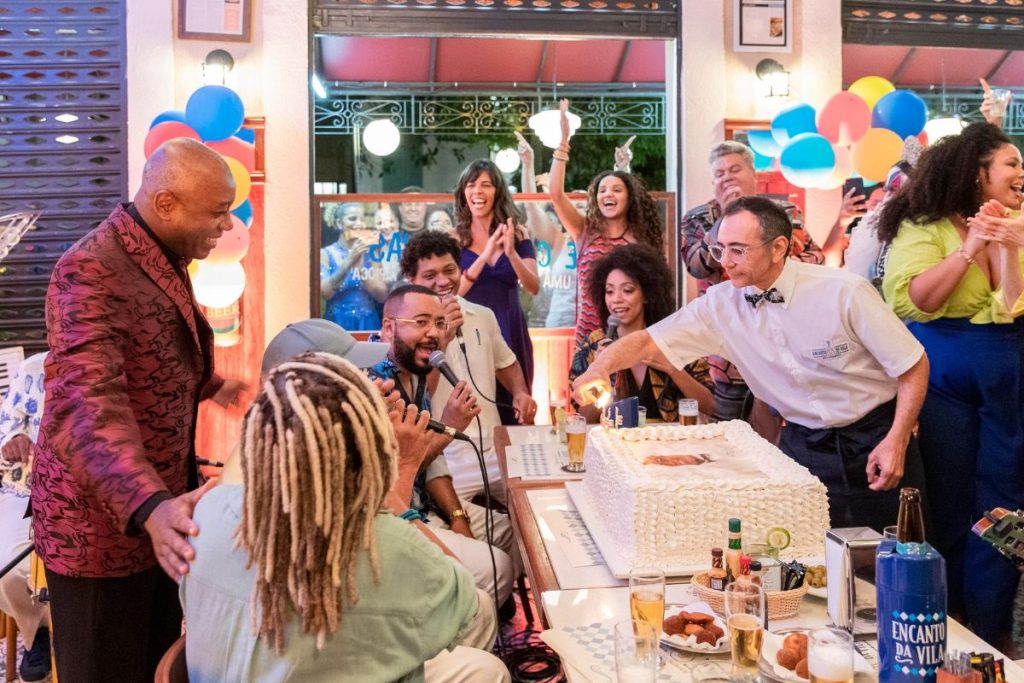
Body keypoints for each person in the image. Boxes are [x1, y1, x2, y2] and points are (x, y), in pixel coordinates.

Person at [573, 196, 929, 534]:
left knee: (896, 557)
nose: (724, 261)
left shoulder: (844, 292)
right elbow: (647, 341)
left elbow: (913, 364)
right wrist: (598, 369)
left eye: (737, 250)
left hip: (876, 437)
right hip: (803, 444)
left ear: (778, 248)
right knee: (808, 560)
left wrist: (897, 438)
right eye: (720, 249)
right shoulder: (720, 305)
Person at [32, 137, 246, 683]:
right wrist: (150, 507)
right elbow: (86, 404)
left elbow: (146, 352)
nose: (226, 226)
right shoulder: (89, 268)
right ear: (166, 203)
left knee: (157, 663)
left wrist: (212, 384)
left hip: (157, 516)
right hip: (100, 533)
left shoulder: (157, 252)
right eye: (218, 212)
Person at [182, 351, 510, 682]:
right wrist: (399, 469)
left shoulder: (209, 510)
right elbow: (466, 602)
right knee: (488, 667)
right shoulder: (382, 541)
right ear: (361, 438)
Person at [878, 121, 1024, 649]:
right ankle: (949, 620)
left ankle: (992, 628)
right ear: (978, 171)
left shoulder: (1020, 222)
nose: (1020, 172)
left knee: (1006, 501)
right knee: (948, 494)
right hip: (941, 372)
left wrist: (1011, 244)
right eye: (1010, 163)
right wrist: (971, 246)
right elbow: (918, 301)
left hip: (1008, 369)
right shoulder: (924, 226)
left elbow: (1012, 306)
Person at [368, 285, 514, 606]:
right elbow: (396, 475)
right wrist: (450, 427)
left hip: (429, 507)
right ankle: (454, 634)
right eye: (420, 322)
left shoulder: (419, 373)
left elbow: (431, 464)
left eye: (438, 323)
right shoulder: (376, 386)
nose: (433, 333)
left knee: (515, 532)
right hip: (400, 519)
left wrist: (459, 516)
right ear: (389, 327)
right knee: (498, 568)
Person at [681, 141, 835, 426]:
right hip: (727, 346)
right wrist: (727, 223)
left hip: (784, 334)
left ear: (754, 174)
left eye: (734, 169)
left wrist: (779, 270)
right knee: (727, 427)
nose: (726, 177)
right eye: (719, 174)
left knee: (783, 425)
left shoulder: (786, 212)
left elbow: (817, 257)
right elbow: (696, 266)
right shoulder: (697, 218)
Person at [401, 230, 537, 503]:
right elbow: (418, 398)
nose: (443, 281)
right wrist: (442, 339)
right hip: (446, 459)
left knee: (533, 509)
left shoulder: (483, 315)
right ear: (412, 281)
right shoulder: (406, 331)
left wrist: (521, 392)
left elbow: (506, 363)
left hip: (495, 452)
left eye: (449, 270)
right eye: (430, 276)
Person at [548, 99, 666, 348]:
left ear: (629, 196)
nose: (608, 195)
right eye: (602, 190)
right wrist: (563, 143)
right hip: (588, 338)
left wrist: (625, 168)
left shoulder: (638, 237)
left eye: (616, 190)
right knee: (586, 388)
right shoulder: (584, 231)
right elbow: (556, 195)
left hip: (629, 337)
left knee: (628, 389)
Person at [569, 244, 713, 422]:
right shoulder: (592, 345)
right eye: (609, 291)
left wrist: (673, 369)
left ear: (646, 294)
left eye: (627, 290)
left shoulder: (672, 338)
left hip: (668, 446)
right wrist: (600, 370)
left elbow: (710, 406)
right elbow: (585, 419)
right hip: (615, 445)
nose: (617, 299)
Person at [455, 159, 540, 426]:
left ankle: (517, 466)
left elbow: (533, 286)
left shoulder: (518, 234)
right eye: (471, 185)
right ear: (464, 193)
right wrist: (486, 254)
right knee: (478, 407)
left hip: (510, 327)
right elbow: (454, 290)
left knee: (516, 409)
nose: (477, 191)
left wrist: (511, 253)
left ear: (497, 191)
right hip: (471, 329)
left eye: (485, 185)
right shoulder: (454, 238)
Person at [0, 352, 51, 682]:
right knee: (9, 566)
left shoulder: (110, 365)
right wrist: (12, 439)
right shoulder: (33, 368)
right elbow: (8, 424)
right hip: (23, 488)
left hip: (87, 494)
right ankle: (41, 634)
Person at [319, 202, 387, 330]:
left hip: (368, 322)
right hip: (337, 322)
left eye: (362, 219)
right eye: (352, 218)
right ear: (339, 223)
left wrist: (361, 270)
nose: (359, 223)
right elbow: (326, 293)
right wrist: (349, 260)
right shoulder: (326, 253)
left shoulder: (372, 253)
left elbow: (382, 296)